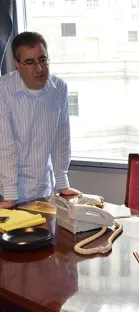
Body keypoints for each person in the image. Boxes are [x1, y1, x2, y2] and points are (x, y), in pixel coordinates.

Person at [0, 32, 80, 208]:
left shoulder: (59, 88)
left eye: (43, 60)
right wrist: (10, 195)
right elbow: (5, 146)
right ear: (17, 65)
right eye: (30, 62)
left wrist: (62, 183)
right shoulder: (3, 90)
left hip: (44, 192)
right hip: (7, 193)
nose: (39, 68)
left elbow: (62, 138)